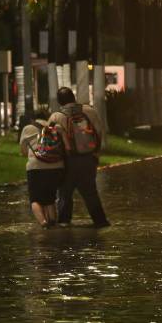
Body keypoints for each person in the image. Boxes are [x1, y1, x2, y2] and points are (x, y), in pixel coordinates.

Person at [49, 87, 110, 228]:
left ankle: (64, 224)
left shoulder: (56, 116)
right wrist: (95, 153)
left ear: (59, 101)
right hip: (88, 158)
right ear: (73, 97)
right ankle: (101, 222)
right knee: (90, 192)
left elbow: (50, 140)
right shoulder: (89, 111)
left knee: (64, 193)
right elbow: (99, 133)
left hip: (67, 161)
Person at [19, 112, 65, 228]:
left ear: (32, 119)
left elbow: (23, 150)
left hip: (36, 167)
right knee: (50, 198)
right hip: (56, 166)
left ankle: (43, 223)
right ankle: (53, 223)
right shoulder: (55, 127)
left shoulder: (28, 128)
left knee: (35, 199)